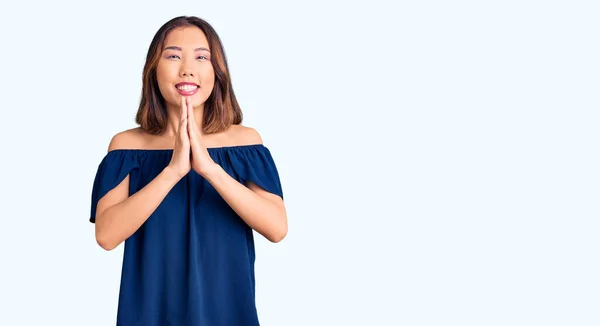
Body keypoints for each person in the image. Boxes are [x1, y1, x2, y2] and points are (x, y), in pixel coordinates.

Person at [89, 15, 287, 326]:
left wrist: (208, 168)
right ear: (154, 70)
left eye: (201, 56)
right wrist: (172, 170)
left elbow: (277, 228)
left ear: (216, 72)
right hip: (151, 313)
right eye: (173, 56)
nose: (187, 68)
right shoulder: (126, 146)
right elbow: (106, 235)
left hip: (227, 312)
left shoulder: (247, 142)